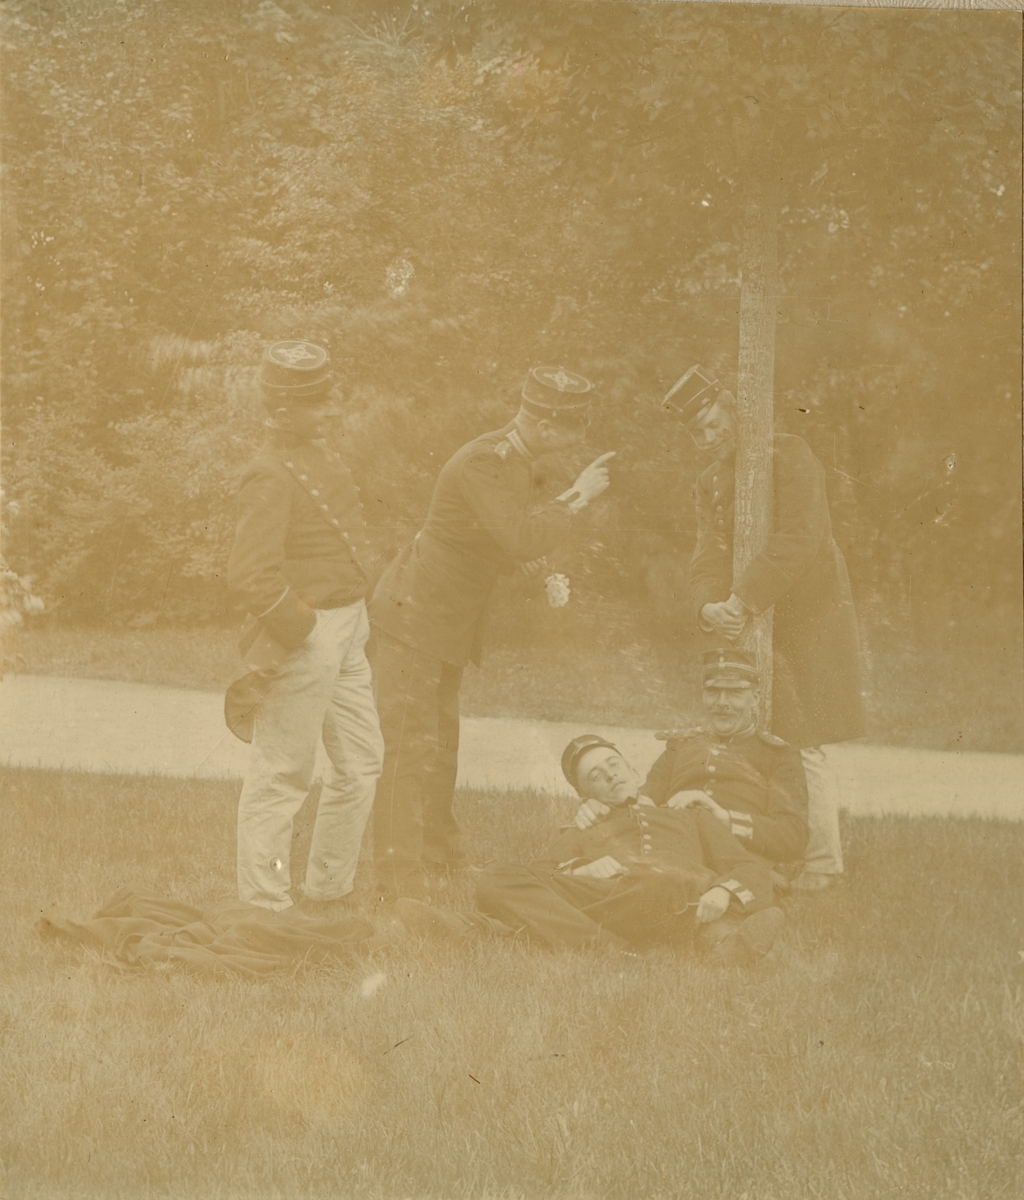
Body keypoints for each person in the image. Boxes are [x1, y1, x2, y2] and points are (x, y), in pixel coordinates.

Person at [368, 366, 615, 901]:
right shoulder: (485, 461)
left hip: (442, 622)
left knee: (440, 747)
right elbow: (520, 536)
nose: (568, 446)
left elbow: (488, 540)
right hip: (414, 618)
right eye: (566, 434)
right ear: (544, 426)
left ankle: (438, 858)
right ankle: (397, 878)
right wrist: (578, 495)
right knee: (409, 748)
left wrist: (531, 568)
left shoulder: (514, 462)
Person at [663, 364, 866, 892]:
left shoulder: (789, 454)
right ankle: (766, 852)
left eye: (715, 423)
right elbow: (707, 555)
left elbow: (801, 537)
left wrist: (743, 598)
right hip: (746, 620)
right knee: (752, 733)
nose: (711, 437)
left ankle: (821, 863)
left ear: (734, 410)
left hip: (810, 614)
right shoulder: (709, 482)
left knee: (803, 736)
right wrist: (708, 607)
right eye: (699, 433)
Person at [225, 340, 384, 912]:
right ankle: (265, 906)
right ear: (281, 410)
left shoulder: (322, 458)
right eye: (316, 403)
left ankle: (328, 891)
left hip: (350, 628)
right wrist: (304, 631)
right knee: (282, 773)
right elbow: (250, 574)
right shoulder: (267, 473)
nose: (330, 410)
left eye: (327, 398)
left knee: (361, 763)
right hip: (308, 635)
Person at [395, 733, 784, 966]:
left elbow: (748, 867)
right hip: (610, 901)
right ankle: (613, 950)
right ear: (585, 793)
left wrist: (722, 891)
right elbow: (543, 877)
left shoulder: (689, 815)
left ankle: (479, 929)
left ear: (632, 769)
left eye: (614, 764)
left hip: (671, 894)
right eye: (596, 776)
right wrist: (580, 869)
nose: (610, 775)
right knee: (496, 876)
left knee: (664, 881)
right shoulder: (583, 827)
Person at [574, 648, 809, 871]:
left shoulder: (779, 756)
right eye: (713, 692)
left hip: (738, 865)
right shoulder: (681, 746)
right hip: (675, 855)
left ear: (755, 698)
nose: (722, 703)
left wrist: (722, 816)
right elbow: (644, 799)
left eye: (735, 693)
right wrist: (599, 806)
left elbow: (793, 836)